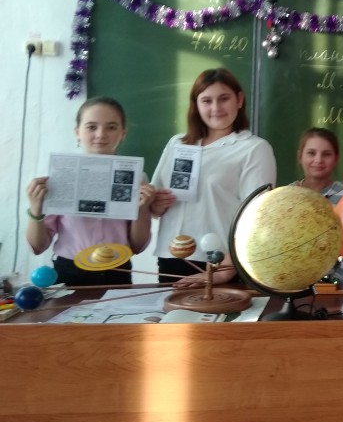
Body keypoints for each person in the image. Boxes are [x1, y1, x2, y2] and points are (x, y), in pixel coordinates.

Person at [150, 68, 276, 285]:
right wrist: (155, 203)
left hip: (220, 263)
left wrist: (224, 272)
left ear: (239, 100)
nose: (216, 108)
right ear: (196, 105)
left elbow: (257, 217)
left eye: (224, 99)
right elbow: (155, 203)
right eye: (206, 101)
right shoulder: (177, 144)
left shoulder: (254, 149)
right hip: (171, 258)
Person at [25, 96, 155, 287]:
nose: (101, 134)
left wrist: (142, 209)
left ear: (123, 133)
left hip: (117, 272)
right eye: (91, 127)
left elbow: (138, 246)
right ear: (77, 132)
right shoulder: (59, 177)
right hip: (69, 272)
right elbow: (37, 247)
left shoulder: (137, 179)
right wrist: (35, 209)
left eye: (111, 127)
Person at [292, 127, 343, 205]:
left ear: (336, 159)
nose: (318, 160)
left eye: (326, 154)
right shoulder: (286, 195)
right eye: (311, 153)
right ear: (300, 157)